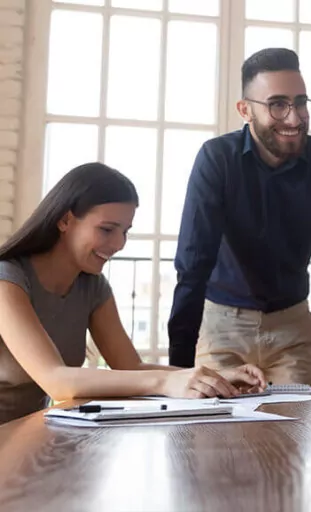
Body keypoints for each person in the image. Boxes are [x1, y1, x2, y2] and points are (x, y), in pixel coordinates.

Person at [167, 48, 311, 388]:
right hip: (222, 328)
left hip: (292, 330)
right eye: (278, 104)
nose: (294, 118)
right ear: (245, 110)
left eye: (301, 103)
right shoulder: (216, 159)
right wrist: (177, 371)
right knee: (213, 437)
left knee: (296, 434)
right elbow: (193, 264)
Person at [0, 163, 267, 425]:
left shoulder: (93, 286)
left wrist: (213, 377)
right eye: (107, 229)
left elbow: (129, 367)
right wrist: (166, 382)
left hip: (25, 436)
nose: (118, 244)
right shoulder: (7, 279)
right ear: (65, 220)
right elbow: (56, 380)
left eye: (124, 231)